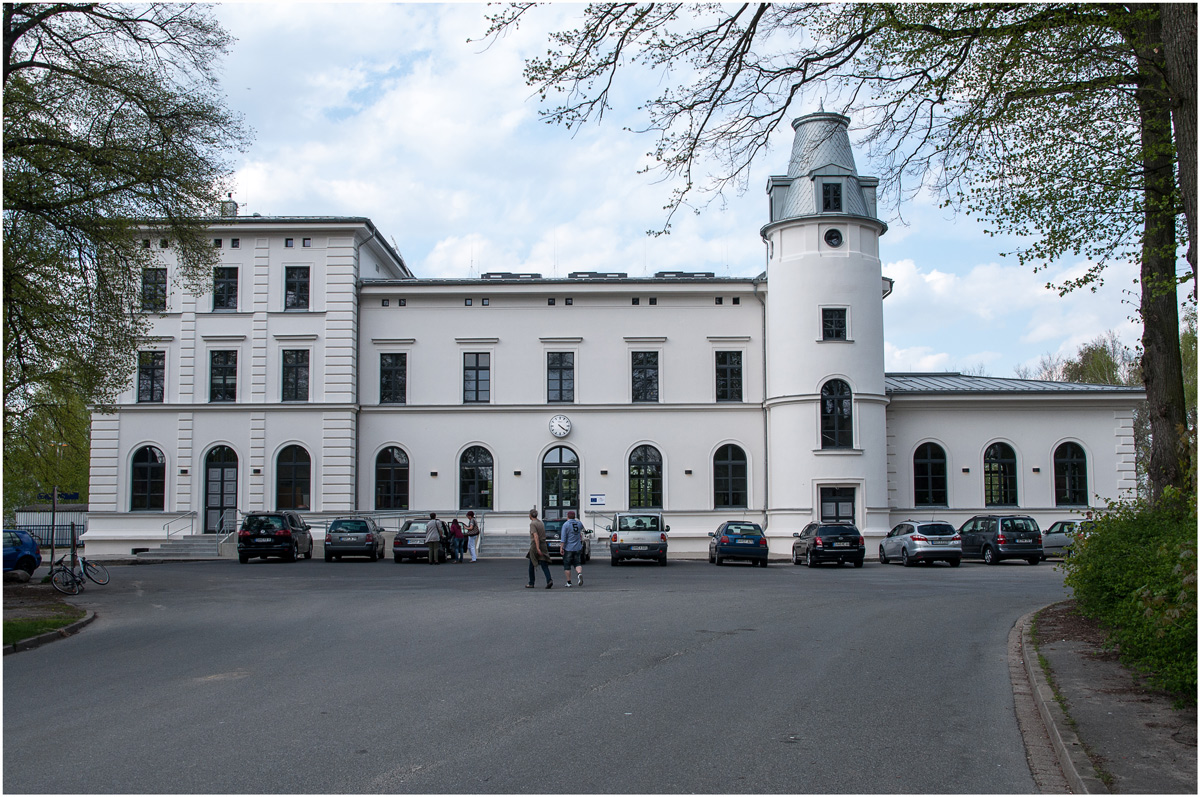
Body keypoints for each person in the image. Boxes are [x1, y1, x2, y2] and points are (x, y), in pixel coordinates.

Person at [526, 508, 552, 589]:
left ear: (530, 515)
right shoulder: (541, 522)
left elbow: (536, 536)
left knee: (531, 564)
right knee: (544, 564)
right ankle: (549, 580)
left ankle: (531, 583)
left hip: (536, 544)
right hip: (543, 543)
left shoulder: (533, 524)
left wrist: (537, 548)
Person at [560, 510, 586, 587]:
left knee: (567, 565)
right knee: (577, 563)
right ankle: (579, 574)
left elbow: (563, 538)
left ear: (567, 516)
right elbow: (583, 530)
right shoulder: (579, 523)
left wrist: (561, 547)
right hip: (577, 547)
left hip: (568, 548)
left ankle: (569, 582)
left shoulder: (566, 525)